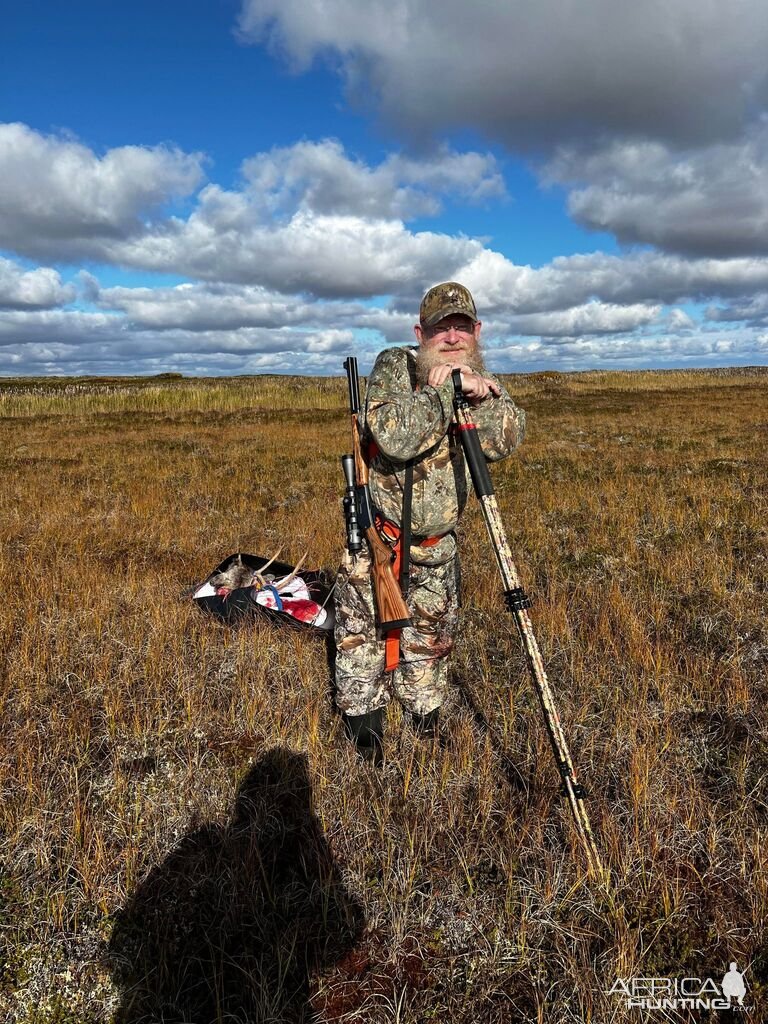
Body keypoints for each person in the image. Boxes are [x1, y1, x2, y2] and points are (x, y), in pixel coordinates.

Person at [334, 282, 526, 762]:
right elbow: (393, 434)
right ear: (421, 332)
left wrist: (481, 398)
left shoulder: (479, 379)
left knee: (430, 638)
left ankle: (424, 717)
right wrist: (446, 393)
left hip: (440, 546)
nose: (453, 337)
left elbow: (504, 441)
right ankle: (365, 731)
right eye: (442, 328)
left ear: (477, 332)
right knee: (364, 640)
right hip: (381, 538)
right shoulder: (394, 367)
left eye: (462, 326)